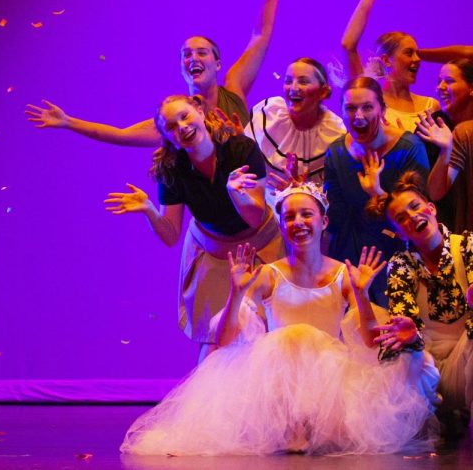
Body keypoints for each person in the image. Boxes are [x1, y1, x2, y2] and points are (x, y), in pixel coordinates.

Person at [122, 182, 436, 455]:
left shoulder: (343, 274)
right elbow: (225, 340)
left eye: (306, 214)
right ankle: (288, 426)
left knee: (307, 337)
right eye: (289, 217)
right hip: (277, 388)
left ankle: (313, 425)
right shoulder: (269, 275)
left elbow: (370, 340)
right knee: (291, 336)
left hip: (326, 384)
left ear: (324, 221)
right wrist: (235, 292)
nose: (298, 222)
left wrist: (362, 295)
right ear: (282, 226)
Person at [25, 0, 286, 145]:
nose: (193, 58)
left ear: (218, 63)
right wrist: (69, 122)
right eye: (186, 54)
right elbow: (120, 134)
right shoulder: (175, 118)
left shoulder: (235, 86)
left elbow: (261, 34)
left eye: (201, 53)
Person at [104, 94, 279, 361]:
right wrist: (150, 210)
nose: (182, 127)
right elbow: (171, 235)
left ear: (199, 110)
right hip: (216, 254)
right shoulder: (172, 170)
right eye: (171, 126)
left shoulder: (241, 150)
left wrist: (236, 193)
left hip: (263, 247)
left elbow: (255, 218)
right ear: (167, 136)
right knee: (215, 344)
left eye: (184, 117)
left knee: (268, 337)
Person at [370, 171, 473, 439]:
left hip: (465, 368)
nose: (412, 217)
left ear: (431, 208)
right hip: (427, 373)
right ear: (398, 232)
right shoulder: (402, 265)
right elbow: (404, 323)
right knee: (403, 354)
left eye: (415, 207)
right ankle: (431, 420)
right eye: (401, 218)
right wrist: (411, 337)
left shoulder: (468, 247)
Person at [323, 77, 430, 306]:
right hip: (350, 252)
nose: (358, 116)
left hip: (399, 254)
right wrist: (305, 194)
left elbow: (421, 215)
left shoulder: (409, 148)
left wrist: (378, 193)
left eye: (367, 107)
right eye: (350, 108)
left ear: (382, 109)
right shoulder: (336, 152)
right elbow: (334, 220)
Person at [339, 0, 438, 129]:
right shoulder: (368, 97)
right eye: (409, 53)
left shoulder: (430, 106)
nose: (417, 59)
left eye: (417, 54)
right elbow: (348, 45)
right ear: (386, 60)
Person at [245, 57, 346, 183]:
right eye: (288, 81)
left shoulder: (335, 132)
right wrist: (238, 140)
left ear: (323, 92)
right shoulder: (270, 113)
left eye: (303, 82)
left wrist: (300, 191)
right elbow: (246, 166)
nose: (293, 88)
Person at [418, 60, 473, 232]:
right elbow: (432, 193)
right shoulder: (431, 126)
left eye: (449, 81)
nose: (440, 87)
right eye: (439, 81)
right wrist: (445, 150)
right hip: (449, 231)